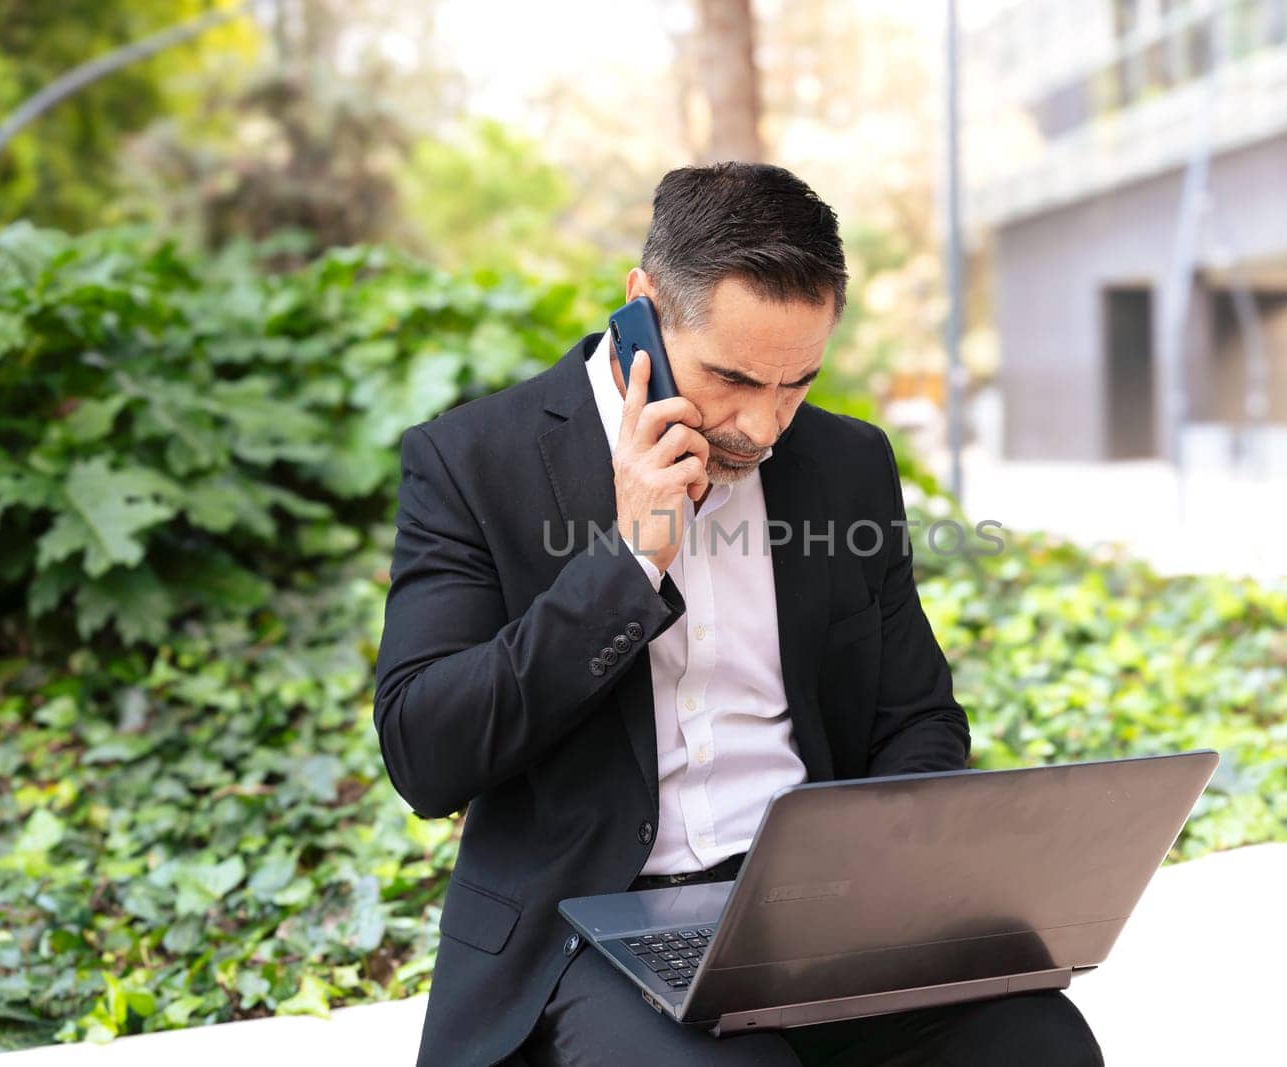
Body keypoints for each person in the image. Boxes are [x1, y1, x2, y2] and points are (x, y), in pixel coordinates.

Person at [373, 162, 1104, 1067]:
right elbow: (424, 753)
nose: (763, 427)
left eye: (796, 383)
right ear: (641, 302)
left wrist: (882, 881)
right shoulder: (472, 462)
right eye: (732, 378)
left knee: (1038, 1045)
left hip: (819, 908)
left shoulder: (846, 465)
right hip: (590, 928)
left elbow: (916, 718)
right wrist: (630, 558)